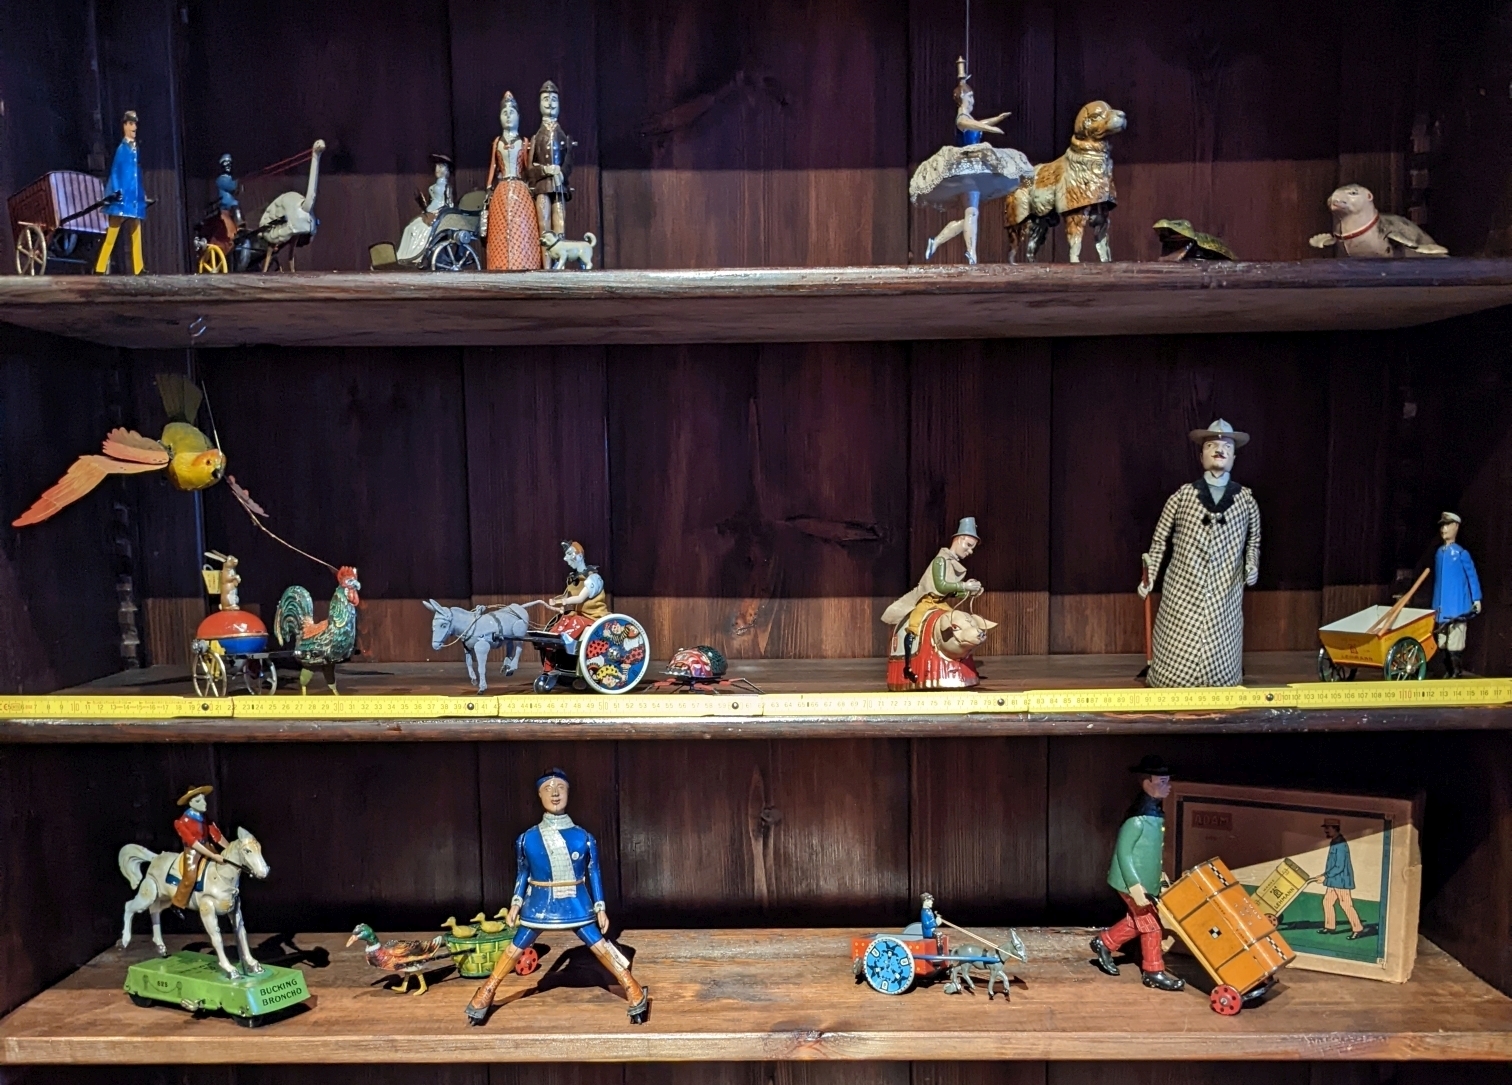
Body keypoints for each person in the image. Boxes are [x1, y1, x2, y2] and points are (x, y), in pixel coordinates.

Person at [465, 769, 649, 1025]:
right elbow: (522, 873)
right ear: (539, 795)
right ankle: (489, 988)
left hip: (575, 902)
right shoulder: (527, 839)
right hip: (539, 904)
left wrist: (600, 907)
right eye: (548, 788)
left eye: (560, 787)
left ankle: (630, 985)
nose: (554, 793)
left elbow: (594, 872)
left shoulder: (583, 837)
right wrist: (515, 903)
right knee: (515, 948)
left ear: (568, 793)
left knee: (599, 945)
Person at [1139, 420, 1262, 687]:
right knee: (1177, 644)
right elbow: (1159, 541)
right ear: (1201, 455)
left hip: (1224, 592)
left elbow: (1253, 542)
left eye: (1226, 446)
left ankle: (1221, 678)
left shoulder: (1246, 501)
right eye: (1211, 445)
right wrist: (1149, 577)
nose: (1219, 450)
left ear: (1234, 456)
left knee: (1221, 643)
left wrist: (1251, 566)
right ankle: (1170, 677)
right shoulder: (1182, 497)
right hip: (1184, 591)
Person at [911, 57, 1030, 265]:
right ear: (964, 97)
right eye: (971, 96)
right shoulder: (961, 118)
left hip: (971, 173)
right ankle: (970, 254)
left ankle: (942, 243)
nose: (973, 100)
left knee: (971, 215)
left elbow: (979, 123)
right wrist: (991, 128)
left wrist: (997, 119)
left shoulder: (968, 117)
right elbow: (974, 125)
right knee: (972, 214)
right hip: (965, 170)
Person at [1090, 754, 1185, 991]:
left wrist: (1159, 877)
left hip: (1146, 882)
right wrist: (1135, 887)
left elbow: (1150, 854)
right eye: (1161, 781)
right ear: (1146, 783)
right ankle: (1153, 971)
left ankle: (1104, 942)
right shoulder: (1136, 822)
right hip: (1130, 883)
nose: (1167, 786)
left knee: (1138, 921)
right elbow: (1124, 855)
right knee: (1151, 925)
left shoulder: (1155, 817)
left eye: (1167, 781)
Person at [881, 517, 984, 681]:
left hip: (940, 603)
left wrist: (969, 592)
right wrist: (964, 586)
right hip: (927, 602)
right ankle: (908, 665)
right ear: (959, 539)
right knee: (914, 626)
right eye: (968, 545)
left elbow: (950, 592)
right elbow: (941, 586)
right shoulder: (941, 560)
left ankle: (963, 663)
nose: (970, 551)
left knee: (959, 621)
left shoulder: (952, 563)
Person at [484, 93, 541, 270]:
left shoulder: (524, 142)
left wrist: (533, 184)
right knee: (500, 227)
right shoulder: (497, 142)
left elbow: (527, 167)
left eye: (512, 112)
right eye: (504, 113)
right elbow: (493, 166)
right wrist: (489, 187)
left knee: (521, 226)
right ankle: (500, 264)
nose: (508, 116)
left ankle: (524, 262)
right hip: (501, 190)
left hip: (520, 190)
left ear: (519, 117)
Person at [95, 111, 147, 274]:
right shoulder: (122, 149)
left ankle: (138, 267)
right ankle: (100, 266)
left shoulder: (135, 149)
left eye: (135, 124)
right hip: (122, 197)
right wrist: (116, 191)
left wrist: (141, 193)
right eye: (130, 124)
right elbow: (116, 172)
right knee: (113, 231)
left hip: (133, 197)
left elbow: (136, 174)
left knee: (136, 231)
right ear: (124, 126)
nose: (133, 127)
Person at [1432, 512, 1481, 678]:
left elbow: (1472, 577)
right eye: (1442, 526)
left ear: (1456, 527)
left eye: (1447, 525)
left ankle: (1456, 672)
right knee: (1442, 642)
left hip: (1457, 607)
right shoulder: (1439, 553)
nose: (1444, 529)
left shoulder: (1461, 554)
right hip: (1441, 608)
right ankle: (1448, 670)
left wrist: (1476, 599)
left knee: (1455, 642)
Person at [527, 81, 575, 240]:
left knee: (560, 222)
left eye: (554, 99)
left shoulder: (564, 136)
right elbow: (529, 168)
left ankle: (559, 255)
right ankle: (546, 256)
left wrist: (561, 173)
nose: (550, 104)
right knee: (544, 223)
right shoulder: (536, 137)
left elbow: (569, 161)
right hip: (542, 185)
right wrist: (544, 170)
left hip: (559, 184)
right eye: (546, 99)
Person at [171, 786, 227, 909]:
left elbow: (216, 835)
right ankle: (177, 903)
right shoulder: (182, 822)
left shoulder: (205, 818)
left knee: (223, 864)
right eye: (198, 801)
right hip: (193, 850)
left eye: (203, 799)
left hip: (206, 845)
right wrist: (213, 855)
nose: (204, 803)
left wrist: (229, 848)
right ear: (190, 803)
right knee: (190, 877)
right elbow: (193, 842)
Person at [1312, 819, 1366, 939]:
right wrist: (1323, 874)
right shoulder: (1335, 841)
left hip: (1341, 881)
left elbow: (1339, 866)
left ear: (1335, 828)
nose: (1326, 830)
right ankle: (1330, 926)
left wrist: (1325, 876)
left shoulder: (1340, 844)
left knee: (1346, 904)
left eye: (1328, 828)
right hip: (1333, 880)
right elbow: (1332, 864)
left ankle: (1358, 929)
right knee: (1327, 902)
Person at [396, 154, 454, 263]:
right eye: (436, 166)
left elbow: (450, 204)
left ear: (446, 170)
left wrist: (439, 213)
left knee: (422, 230)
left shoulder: (447, 187)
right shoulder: (433, 187)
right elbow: (431, 201)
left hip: (439, 214)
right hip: (429, 212)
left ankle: (418, 256)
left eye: (441, 167)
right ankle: (404, 255)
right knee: (410, 227)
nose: (437, 169)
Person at [215, 153, 242, 230]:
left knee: (235, 203)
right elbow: (232, 187)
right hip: (225, 202)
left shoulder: (229, 178)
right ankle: (239, 222)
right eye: (226, 163)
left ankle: (239, 224)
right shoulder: (221, 179)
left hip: (230, 200)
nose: (228, 165)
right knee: (235, 204)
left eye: (229, 163)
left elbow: (237, 191)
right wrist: (237, 183)